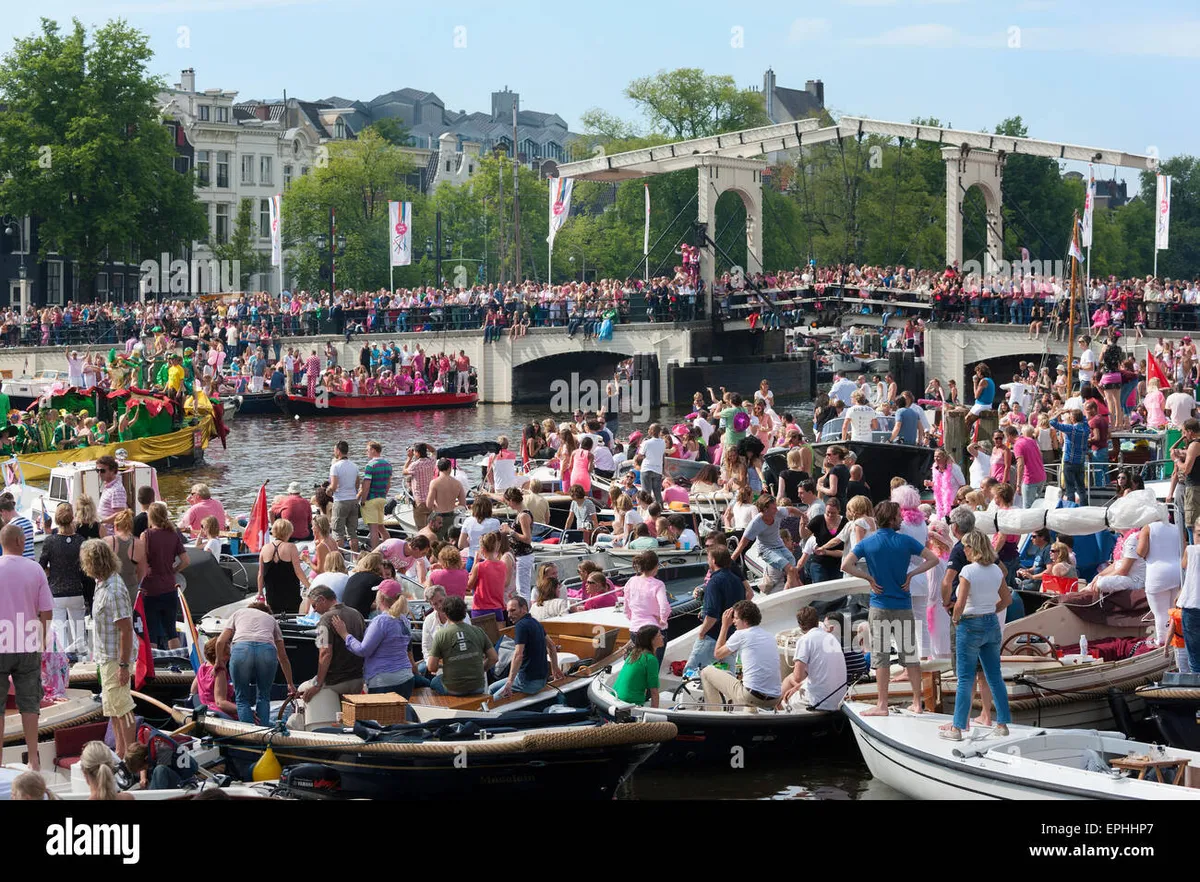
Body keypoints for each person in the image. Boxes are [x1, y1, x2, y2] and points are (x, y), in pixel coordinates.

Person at [842, 500, 941, 716]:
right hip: (903, 605)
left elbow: (845, 565)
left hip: (879, 605)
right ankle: (917, 702)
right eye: (898, 516)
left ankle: (882, 705)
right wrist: (912, 574)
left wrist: (868, 577)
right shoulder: (905, 541)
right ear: (892, 518)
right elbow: (933, 559)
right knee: (910, 656)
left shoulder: (868, 543)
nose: (901, 519)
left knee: (881, 657)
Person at [942, 530, 1013, 741]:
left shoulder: (967, 571)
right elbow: (1007, 599)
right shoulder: (996, 570)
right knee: (993, 676)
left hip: (970, 624)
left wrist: (955, 619)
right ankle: (1002, 723)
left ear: (973, 548)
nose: (963, 550)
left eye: (966, 546)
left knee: (965, 678)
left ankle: (957, 728)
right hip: (991, 622)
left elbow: (960, 604)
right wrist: (990, 610)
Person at [0, 524, 53, 769]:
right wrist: (42, 639)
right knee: (30, 703)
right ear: (21, 542)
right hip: (28, 642)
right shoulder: (35, 569)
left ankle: (0, 762)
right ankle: (33, 758)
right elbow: (47, 610)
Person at [80, 539, 137, 758]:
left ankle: (130, 756)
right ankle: (121, 752)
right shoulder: (102, 583)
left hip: (115, 658)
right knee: (113, 708)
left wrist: (123, 665)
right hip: (106, 657)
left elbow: (126, 629)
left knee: (123, 707)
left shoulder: (112, 589)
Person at [216, 600, 296, 725]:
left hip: (242, 648)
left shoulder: (239, 613)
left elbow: (220, 641)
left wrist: (218, 661)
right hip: (267, 649)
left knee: (242, 698)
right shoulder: (271, 620)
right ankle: (262, 735)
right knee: (264, 696)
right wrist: (290, 683)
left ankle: (248, 737)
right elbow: (283, 657)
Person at [333, 579, 415, 697]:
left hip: (383, 680)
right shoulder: (404, 620)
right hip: (406, 677)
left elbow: (363, 650)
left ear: (380, 598)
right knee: (400, 715)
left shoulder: (381, 621)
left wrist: (345, 635)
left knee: (379, 716)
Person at [702, 600, 782, 710]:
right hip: (775, 699)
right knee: (747, 685)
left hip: (751, 696)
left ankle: (714, 715)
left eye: (735, 618)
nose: (733, 621)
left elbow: (718, 654)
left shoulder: (741, 634)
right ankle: (749, 715)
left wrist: (724, 626)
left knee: (706, 672)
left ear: (745, 620)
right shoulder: (769, 636)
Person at [299, 585, 366, 715]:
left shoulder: (325, 619)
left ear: (322, 599)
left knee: (303, 689)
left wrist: (318, 684)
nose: (314, 610)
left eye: (314, 606)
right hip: (358, 679)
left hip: (336, 680)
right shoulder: (357, 614)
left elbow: (325, 653)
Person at [685, 545, 747, 673]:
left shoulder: (714, 582)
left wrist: (702, 633)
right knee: (728, 676)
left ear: (713, 561)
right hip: (731, 637)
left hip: (713, 636)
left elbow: (712, 615)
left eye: (708, 558)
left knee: (691, 672)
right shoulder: (737, 581)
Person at [40, 503, 88, 657]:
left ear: (56, 520)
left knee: (59, 634)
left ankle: (62, 664)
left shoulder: (50, 541)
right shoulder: (80, 540)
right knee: (79, 632)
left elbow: (41, 565)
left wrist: (50, 571)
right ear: (72, 518)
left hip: (56, 591)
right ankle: (83, 662)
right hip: (76, 589)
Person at [491, 595, 561, 699]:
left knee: (493, 700)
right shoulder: (536, 623)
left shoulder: (521, 626)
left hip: (527, 682)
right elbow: (551, 645)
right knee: (491, 688)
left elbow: (518, 655)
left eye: (513, 611)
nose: (509, 615)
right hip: (541, 680)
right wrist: (555, 668)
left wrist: (510, 682)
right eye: (508, 612)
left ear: (524, 609)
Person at [427, 595, 498, 697]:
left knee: (434, 681)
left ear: (446, 614)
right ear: (465, 613)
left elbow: (431, 667)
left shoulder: (441, 635)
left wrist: (446, 664)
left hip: (454, 689)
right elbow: (494, 658)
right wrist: (481, 669)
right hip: (478, 687)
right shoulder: (478, 631)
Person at [781, 606, 848, 711]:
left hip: (820, 702)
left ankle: (776, 714)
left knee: (783, 701)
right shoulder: (832, 638)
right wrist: (798, 687)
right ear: (817, 621)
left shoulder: (805, 640)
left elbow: (797, 677)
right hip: (839, 700)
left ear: (800, 625)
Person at [732, 495, 798, 592]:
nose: (776, 509)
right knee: (790, 570)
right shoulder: (755, 524)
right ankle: (789, 594)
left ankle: (792, 592)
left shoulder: (778, 512)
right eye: (774, 508)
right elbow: (742, 544)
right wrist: (730, 561)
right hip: (766, 550)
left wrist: (803, 515)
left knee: (793, 569)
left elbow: (791, 509)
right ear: (765, 509)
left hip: (779, 546)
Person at [1139, 519, 1182, 646]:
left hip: (1157, 573)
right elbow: (1183, 550)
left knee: (1160, 613)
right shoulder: (1177, 528)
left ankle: (1162, 642)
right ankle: (1175, 640)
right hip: (1176, 572)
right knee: (1173, 611)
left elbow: (1141, 552)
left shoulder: (1147, 527)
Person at [624, 550, 671, 661]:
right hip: (653, 631)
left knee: (639, 664)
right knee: (653, 665)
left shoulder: (631, 581)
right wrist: (662, 621)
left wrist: (632, 618)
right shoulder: (658, 584)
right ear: (655, 566)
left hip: (635, 629)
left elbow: (626, 606)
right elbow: (664, 607)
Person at [258, 518, 309, 615]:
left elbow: (260, 574)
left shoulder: (264, 549)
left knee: (274, 617)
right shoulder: (291, 547)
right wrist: (309, 587)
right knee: (292, 617)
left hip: (272, 593)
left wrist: (260, 593)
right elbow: (298, 571)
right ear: (288, 532)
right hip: (290, 592)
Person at [613, 625, 663, 707]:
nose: (663, 637)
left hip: (616, 696)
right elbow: (654, 691)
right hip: (630, 702)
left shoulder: (634, 653)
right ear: (651, 640)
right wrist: (654, 716)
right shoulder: (650, 659)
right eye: (659, 635)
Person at [500, 487, 536, 600]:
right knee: (519, 588)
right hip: (519, 555)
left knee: (523, 589)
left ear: (512, 501)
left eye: (507, 502)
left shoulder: (523, 516)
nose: (508, 505)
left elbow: (527, 538)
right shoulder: (521, 513)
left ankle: (525, 612)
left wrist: (509, 531)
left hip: (523, 555)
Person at [1050, 408, 1090, 506]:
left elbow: (1052, 422)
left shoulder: (1071, 429)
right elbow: (1084, 419)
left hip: (1069, 462)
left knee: (1070, 489)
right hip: (1080, 462)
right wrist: (1075, 412)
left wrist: (1060, 412)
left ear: (1072, 419)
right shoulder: (1086, 429)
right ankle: (1085, 508)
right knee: (1081, 488)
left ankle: (1071, 509)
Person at [468, 531, 510, 620]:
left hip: (481, 608)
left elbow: (469, 585)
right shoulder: (502, 565)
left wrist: (475, 562)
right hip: (498, 608)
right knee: (499, 634)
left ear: (482, 549)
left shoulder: (479, 566)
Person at [191, 638, 237, 718]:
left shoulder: (202, 667)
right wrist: (243, 709)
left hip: (205, 709)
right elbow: (220, 703)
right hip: (218, 713)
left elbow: (193, 690)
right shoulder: (220, 672)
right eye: (228, 654)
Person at [328, 440, 361, 552]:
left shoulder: (335, 466)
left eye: (334, 450)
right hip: (353, 500)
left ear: (338, 450)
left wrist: (327, 491)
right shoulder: (355, 466)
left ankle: (341, 560)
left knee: (338, 532)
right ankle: (356, 558)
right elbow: (357, 484)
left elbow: (333, 486)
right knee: (352, 533)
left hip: (340, 500)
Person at [359, 441, 392, 550]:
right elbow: (388, 484)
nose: (366, 452)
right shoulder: (387, 465)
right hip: (381, 498)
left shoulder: (370, 465)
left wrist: (363, 500)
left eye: (367, 450)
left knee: (373, 529)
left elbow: (367, 485)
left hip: (371, 499)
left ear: (373, 450)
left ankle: (375, 554)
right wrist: (383, 495)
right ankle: (389, 549)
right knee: (381, 527)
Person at [427, 457, 468, 542]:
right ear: (450, 468)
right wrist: (454, 504)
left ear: (438, 468)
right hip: (452, 516)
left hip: (438, 516)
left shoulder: (434, 483)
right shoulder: (457, 483)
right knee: (451, 541)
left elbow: (429, 504)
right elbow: (463, 504)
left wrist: (435, 506)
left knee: (436, 542)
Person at [105, 509, 139, 604]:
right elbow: (142, 572)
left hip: (111, 589)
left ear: (115, 526)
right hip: (131, 589)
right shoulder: (139, 543)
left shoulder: (106, 541)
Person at [458, 496, 500, 570]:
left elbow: (461, 545)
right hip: (489, 561)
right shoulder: (495, 522)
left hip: (472, 559)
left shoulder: (468, 521)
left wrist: (470, 542)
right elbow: (497, 544)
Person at [341, 552, 386, 618]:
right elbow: (385, 603)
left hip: (344, 614)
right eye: (382, 564)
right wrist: (383, 574)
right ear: (378, 565)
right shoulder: (377, 580)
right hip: (359, 618)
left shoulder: (354, 576)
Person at [95, 454, 126, 535]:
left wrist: (101, 521)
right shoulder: (108, 486)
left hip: (110, 534)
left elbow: (120, 514)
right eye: (97, 470)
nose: (99, 473)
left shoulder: (116, 490)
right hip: (104, 532)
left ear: (112, 470)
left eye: (102, 471)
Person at [639, 423, 666, 507]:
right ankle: (660, 509)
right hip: (658, 470)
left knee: (646, 493)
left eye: (649, 429)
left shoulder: (646, 443)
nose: (648, 430)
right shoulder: (663, 442)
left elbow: (640, 454)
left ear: (652, 431)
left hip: (647, 468)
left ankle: (648, 510)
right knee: (657, 493)